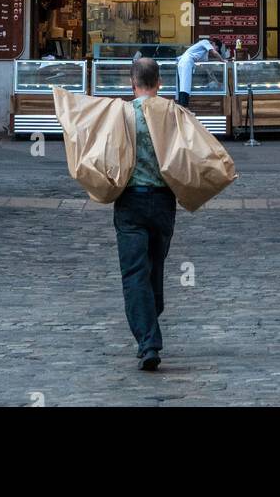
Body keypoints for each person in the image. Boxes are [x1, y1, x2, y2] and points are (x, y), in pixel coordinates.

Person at [114, 57, 177, 371]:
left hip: (130, 201)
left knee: (135, 272)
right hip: (164, 201)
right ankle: (150, 322)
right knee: (155, 266)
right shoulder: (173, 113)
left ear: (132, 84)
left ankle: (148, 340)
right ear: (160, 83)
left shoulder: (123, 115)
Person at [176, 35, 228, 108]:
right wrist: (222, 60)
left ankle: (183, 107)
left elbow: (209, 71)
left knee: (185, 86)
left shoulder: (205, 54)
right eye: (217, 48)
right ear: (213, 44)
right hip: (185, 62)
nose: (216, 50)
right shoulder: (205, 42)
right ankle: (183, 108)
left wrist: (217, 82)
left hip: (188, 64)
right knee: (184, 86)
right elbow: (214, 53)